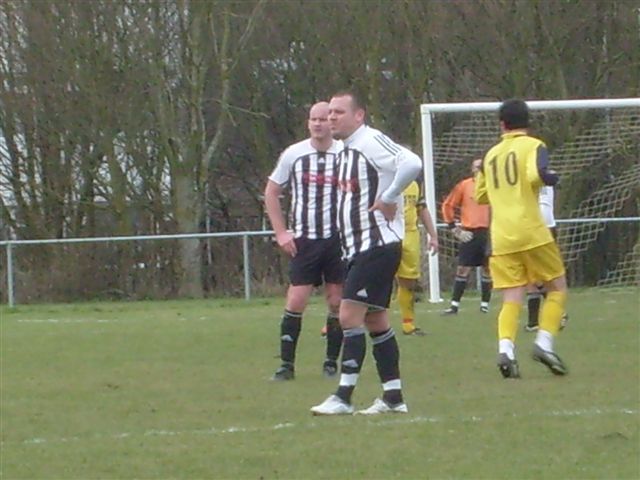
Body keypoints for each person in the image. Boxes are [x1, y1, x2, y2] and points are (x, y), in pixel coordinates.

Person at [310, 90, 421, 415]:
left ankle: (343, 396)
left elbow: (412, 162)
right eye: (329, 112)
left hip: (378, 245)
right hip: (358, 248)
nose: (332, 118)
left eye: (339, 112)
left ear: (359, 116)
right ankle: (393, 398)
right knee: (376, 320)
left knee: (348, 316)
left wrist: (389, 196)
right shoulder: (345, 152)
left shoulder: (371, 141)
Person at [475, 98, 569, 378]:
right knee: (557, 288)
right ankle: (543, 343)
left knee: (511, 297)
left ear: (501, 124)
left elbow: (481, 195)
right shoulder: (534, 145)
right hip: (532, 232)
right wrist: (550, 176)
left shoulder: (490, 155)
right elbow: (534, 175)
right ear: (528, 121)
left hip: (501, 237)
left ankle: (506, 350)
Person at [265, 102, 345, 381]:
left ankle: (331, 362)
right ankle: (286, 365)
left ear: (331, 123)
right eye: (313, 119)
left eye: (323, 119)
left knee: (336, 301)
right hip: (305, 240)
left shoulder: (345, 153)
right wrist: (281, 232)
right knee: (297, 300)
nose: (318, 124)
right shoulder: (294, 154)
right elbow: (272, 192)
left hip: (337, 239)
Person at [396, 149, 439, 336]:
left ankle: (408, 324)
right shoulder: (384, 179)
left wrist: (433, 236)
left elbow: (422, 209)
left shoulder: (415, 182)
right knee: (374, 280)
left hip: (410, 235)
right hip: (387, 234)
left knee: (408, 281)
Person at [441, 159, 492, 315]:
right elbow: (448, 205)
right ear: (472, 169)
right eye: (476, 167)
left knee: (488, 268)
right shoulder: (464, 185)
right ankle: (454, 305)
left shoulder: (493, 186)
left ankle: (485, 305)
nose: (479, 170)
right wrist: (454, 229)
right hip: (469, 231)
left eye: (481, 167)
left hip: (488, 232)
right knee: (463, 268)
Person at [525, 185, 569, 331]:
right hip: (546, 227)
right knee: (533, 275)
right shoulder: (545, 177)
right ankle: (533, 323)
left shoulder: (532, 178)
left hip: (537, 228)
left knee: (536, 275)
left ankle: (557, 312)